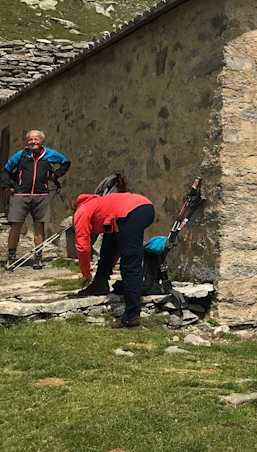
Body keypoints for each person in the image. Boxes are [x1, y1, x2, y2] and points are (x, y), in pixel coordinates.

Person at [73, 192, 156, 328]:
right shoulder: (98, 204)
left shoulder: (81, 211)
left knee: (130, 263)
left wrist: (86, 272)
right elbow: (113, 247)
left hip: (133, 211)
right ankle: (100, 283)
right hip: (142, 207)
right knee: (109, 240)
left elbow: (82, 246)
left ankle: (132, 316)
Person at [1, 130, 70, 270]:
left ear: (41, 140)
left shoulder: (49, 154)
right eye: (31, 139)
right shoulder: (20, 155)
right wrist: (9, 186)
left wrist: (56, 175)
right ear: (27, 141)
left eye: (36, 139)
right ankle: (11, 257)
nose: (33, 142)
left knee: (39, 227)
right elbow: (6, 170)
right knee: (16, 227)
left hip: (41, 196)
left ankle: (38, 258)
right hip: (20, 196)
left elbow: (65, 162)